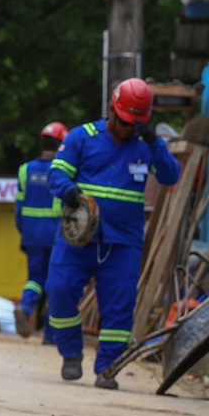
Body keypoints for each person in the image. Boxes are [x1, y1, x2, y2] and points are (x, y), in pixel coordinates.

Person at [46, 79, 181, 389]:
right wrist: (68, 191)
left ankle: (107, 369)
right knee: (59, 290)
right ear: (111, 110)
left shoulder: (145, 145)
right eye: (124, 122)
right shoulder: (82, 137)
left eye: (136, 124)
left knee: (119, 308)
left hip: (123, 243)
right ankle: (70, 353)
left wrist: (155, 144)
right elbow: (57, 172)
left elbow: (171, 175)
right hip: (78, 237)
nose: (128, 129)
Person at [14, 122, 68, 341]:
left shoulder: (25, 169)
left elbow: (19, 207)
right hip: (55, 234)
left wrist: (24, 231)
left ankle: (25, 306)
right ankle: (50, 333)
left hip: (31, 234)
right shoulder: (61, 170)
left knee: (35, 278)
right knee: (56, 281)